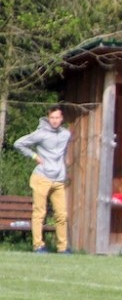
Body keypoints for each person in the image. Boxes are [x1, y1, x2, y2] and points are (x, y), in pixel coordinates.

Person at [14, 104, 72, 253]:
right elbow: (19, 143)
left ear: (62, 118)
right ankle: (38, 245)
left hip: (58, 180)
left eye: (57, 117)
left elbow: (63, 153)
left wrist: (64, 166)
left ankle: (62, 248)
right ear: (48, 118)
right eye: (52, 118)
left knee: (61, 215)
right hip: (42, 177)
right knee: (39, 213)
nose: (55, 120)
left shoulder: (66, 134)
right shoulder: (41, 134)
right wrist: (34, 156)